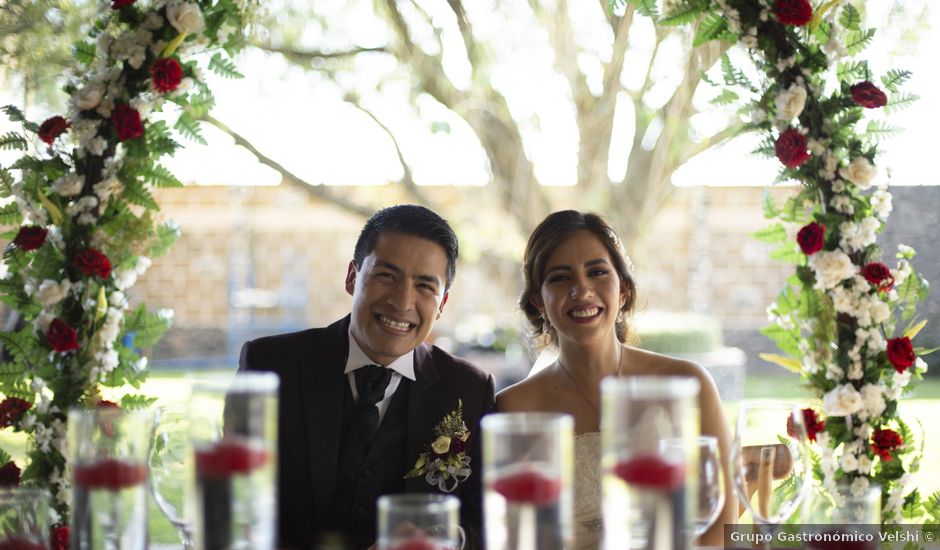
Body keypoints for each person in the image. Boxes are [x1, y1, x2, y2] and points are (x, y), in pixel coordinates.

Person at [239, 204, 496, 549]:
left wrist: (444, 538)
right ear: (352, 277)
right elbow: (236, 508)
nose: (402, 301)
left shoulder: (470, 390)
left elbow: (486, 524)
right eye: (386, 276)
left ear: (443, 303)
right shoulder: (268, 365)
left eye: (424, 286)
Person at [496, 210, 736, 548]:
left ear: (622, 289)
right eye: (560, 277)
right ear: (538, 301)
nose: (581, 290)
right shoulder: (514, 407)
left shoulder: (688, 384)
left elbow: (723, 524)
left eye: (596, 272)